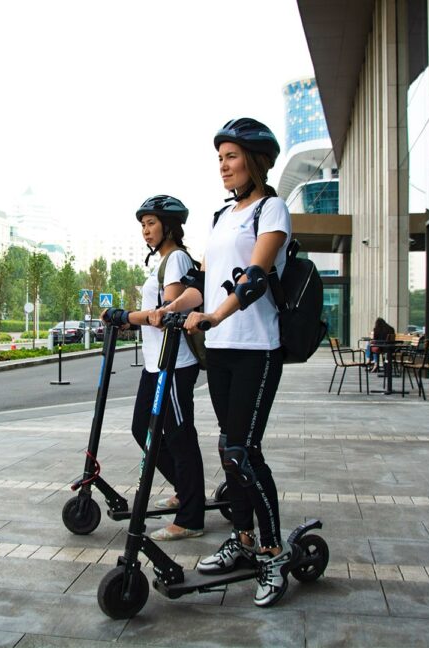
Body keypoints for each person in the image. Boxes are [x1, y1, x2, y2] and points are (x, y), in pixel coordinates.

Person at [153, 118, 292, 607]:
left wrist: (215, 315)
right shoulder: (220, 216)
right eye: (220, 158)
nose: (224, 166)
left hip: (257, 346)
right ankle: (245, 538)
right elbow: (203, 283)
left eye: (231, 157)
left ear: (254, 161)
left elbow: (254, 277)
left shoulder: (272, 209)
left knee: (244, 451)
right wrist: (169, 310)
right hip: (222, 349)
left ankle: (273, 552)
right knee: (226, 449)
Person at [103, 195, 205, 541]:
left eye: (151, 223)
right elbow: (152, 316)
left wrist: (126, 316)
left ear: (169, 226)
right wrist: (129, 320)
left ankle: (191, 516)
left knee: (179, 435)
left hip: (174, 365)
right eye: (143, 225)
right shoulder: (162, 262)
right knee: (140, 428)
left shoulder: (175, 259)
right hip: (155, 364)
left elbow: (166, 316)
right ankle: (184, 488)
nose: (145, 231)